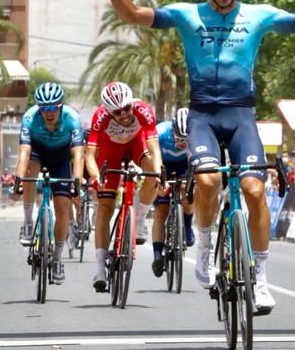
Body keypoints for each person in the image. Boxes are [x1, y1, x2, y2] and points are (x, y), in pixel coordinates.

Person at [98, 0, 295, 314]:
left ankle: (260, 280)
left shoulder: (260, 15)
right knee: (207, 180)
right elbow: (131, 14)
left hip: (241, 115)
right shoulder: (186, 14)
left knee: (255, 190)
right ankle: (205, 245)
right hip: (203, 116)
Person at [83, 81, 162, 292]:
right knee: (105, 208)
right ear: (108, 111)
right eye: (118, 112)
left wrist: (159, 171)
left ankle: (140, 218)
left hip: (137, 144)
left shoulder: (143, 110)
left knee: (152, 172)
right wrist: (95, 176)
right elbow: (89, 155)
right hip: (111, 151)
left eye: (127, 108)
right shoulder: (100, 116)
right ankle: (100, 268)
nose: (125, 115)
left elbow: (154, 148)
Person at [14, 82, 85, 285]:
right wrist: (18, 179)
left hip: (61, 159)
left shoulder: (72, 119)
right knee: (29, 170)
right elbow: (24, 153)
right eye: (44, 108)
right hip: (37, 153)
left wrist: (77, 183)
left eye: (53, 107)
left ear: (60, 106)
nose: (48, 112)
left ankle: (57, 259)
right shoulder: (30, 118)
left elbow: (78, 155)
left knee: (63, 208)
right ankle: (28, 223)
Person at [150, 107, 196, 277]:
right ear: (172, 130)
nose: (181, 143)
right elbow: (152, 155)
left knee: (187, 188)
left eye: (185, 140)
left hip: (185, 165)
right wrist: (158, 179)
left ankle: (188, 225)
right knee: (160, 211)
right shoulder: (161, 132)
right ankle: (157, 256)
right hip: (164, 165)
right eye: (178, 138)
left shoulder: (197, 135)